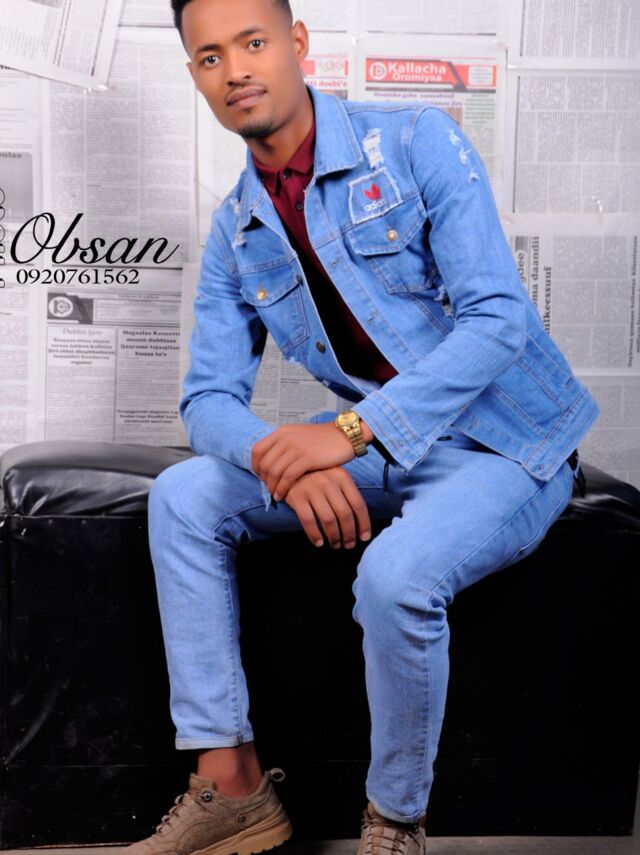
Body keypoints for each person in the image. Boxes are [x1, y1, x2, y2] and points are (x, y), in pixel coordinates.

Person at [126, 0, 600, 852]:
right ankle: (231, 786)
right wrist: (284, 461)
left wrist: (346, 435)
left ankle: (393, 819)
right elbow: (206, 399)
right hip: (382, 446)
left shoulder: (416, 141)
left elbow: (498, 320)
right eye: (210, 56)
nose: (236, 69)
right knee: (183, 495)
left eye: (254, 42)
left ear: (298, 44)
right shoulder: (238, 229)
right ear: (195, 74)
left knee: (395, 575)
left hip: (509, 444)